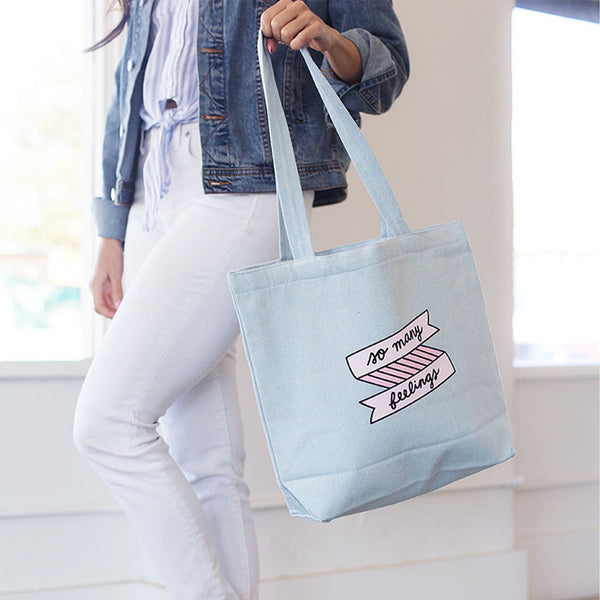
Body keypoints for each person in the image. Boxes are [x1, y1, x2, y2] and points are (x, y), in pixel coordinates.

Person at [72, 1, 409, 598]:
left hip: (245, 178)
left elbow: (385, 64)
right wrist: (112, 226)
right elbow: (133, 76)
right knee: (202, 454)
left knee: (109, 423)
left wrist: (329, 41)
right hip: (154, 186)